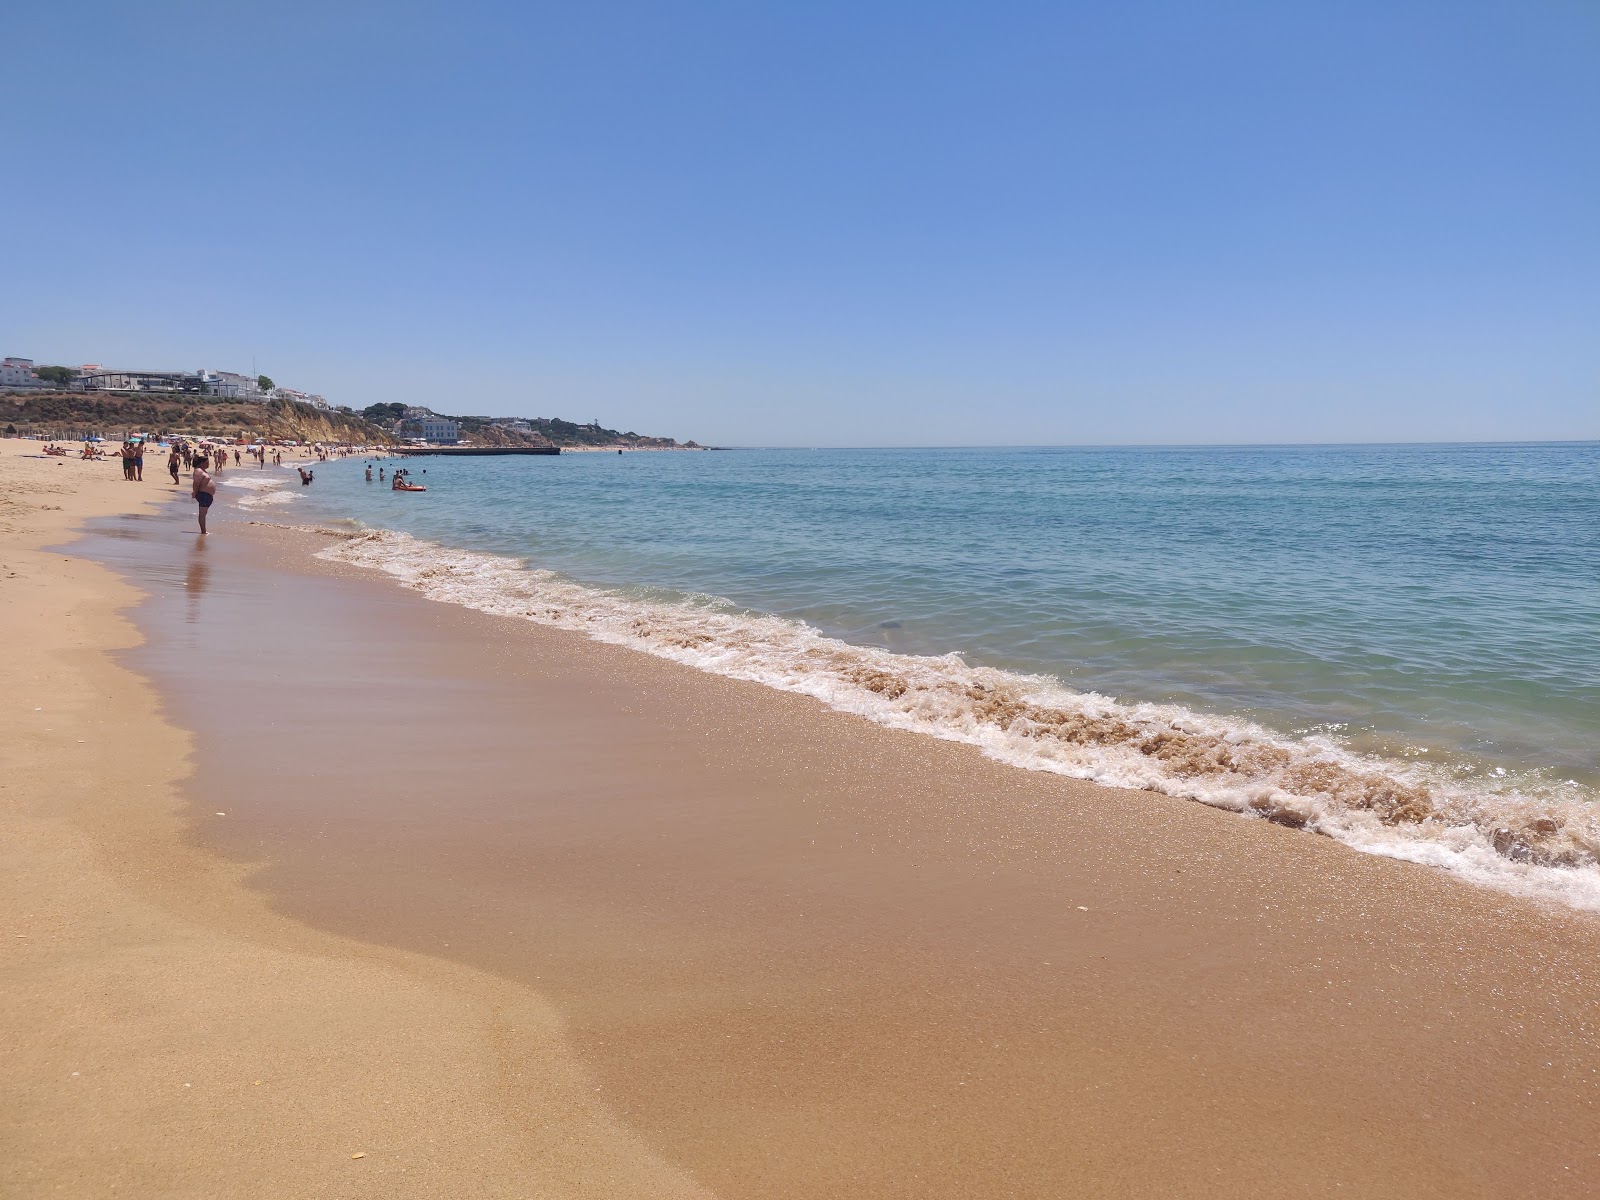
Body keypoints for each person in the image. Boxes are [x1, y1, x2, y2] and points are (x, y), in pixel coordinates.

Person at [192, 454, 216, 534]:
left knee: (204, 513)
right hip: (203, 494)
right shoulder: (198, 471)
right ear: (201, 463)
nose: (208, 464)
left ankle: (204, 530)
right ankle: (203, 531)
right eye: (207, 462)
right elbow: (196, 483)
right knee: (202, 514)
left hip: (206, 495)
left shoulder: (203, 471)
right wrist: (194, 493)